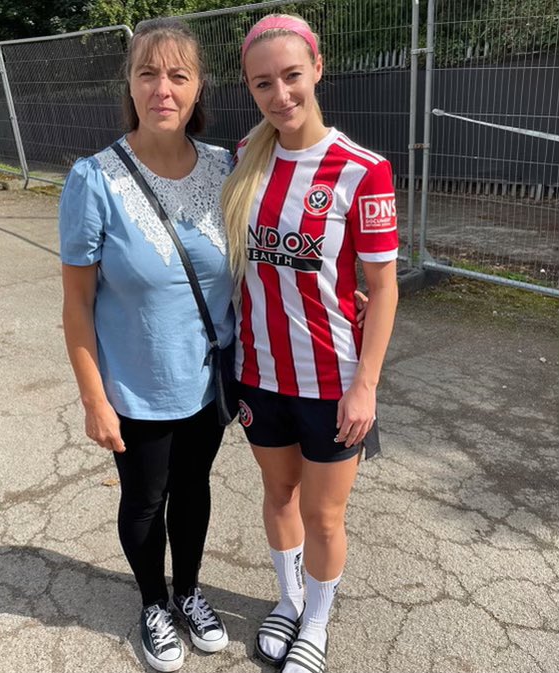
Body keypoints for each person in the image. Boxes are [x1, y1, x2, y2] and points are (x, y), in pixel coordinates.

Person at [221, 14, 399, 673]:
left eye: (291, 76)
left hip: (332, 382)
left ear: (317, 69)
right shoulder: (244, 158)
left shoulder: (362, 170)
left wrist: (366, 384)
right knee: (278, 496)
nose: (280, 94)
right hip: (259, 375)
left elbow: (382, 290)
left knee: (325, 517)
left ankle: (316, 623)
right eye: (262, 82)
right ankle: (289, 599)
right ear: (249, 87)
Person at [58, 18, 233, 673]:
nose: (163, 87)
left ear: (196, 89)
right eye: (148, 73)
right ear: (129, 84)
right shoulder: (94, 179)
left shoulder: (227, 168)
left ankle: (188, 591)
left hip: (211, 378)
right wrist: (93, 396)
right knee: (145, 498)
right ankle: (154, 602)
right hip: (136, 384)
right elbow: (75, 303)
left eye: (178, 74)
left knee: (194, 488)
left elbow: (268, 258)